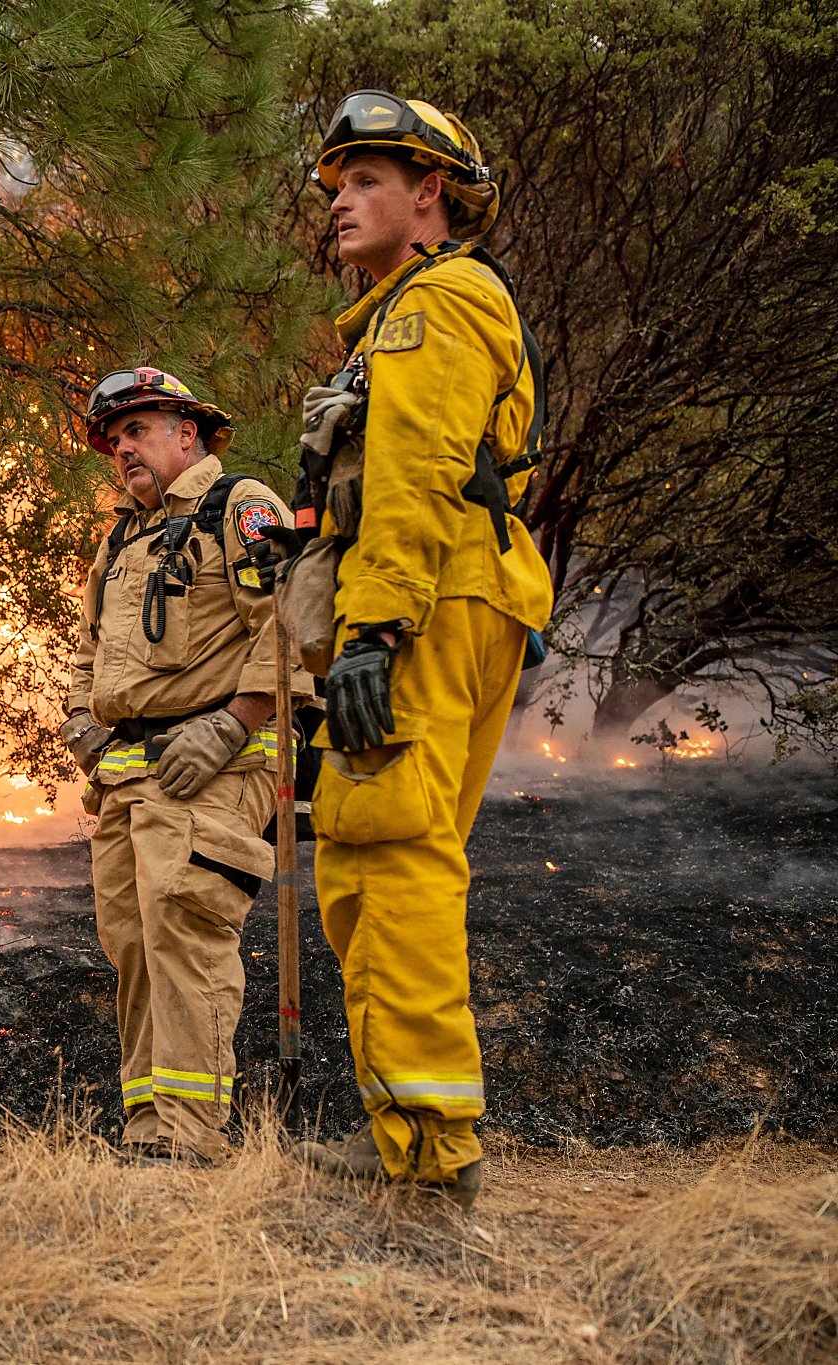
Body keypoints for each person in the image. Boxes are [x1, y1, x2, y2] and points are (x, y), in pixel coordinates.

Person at [295, 92, 554, 1211]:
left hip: (424, 603)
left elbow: (411, 475)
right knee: (383, 854)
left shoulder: (432, 302)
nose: (339, 203)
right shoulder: (411, 312)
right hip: (447, 595)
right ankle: (404, 1121)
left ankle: (424, 1149)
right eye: (335, 186)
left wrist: (370, 632)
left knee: (387, 855)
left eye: (363, 181)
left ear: (427, 194)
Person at [61, 369, 314, 1165]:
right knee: (134, 949)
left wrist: (233, 725)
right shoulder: (121, 538)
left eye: (139, 428)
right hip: (128, 777)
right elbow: (88, 653)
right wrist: (84, 730)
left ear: (189, 431)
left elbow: (289, 625)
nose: (124, 448)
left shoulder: (238, 508)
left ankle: (190, 1134)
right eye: (115, 438)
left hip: (214, 766)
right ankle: (149, 1130)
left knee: (185, 936)